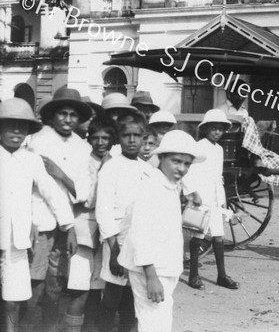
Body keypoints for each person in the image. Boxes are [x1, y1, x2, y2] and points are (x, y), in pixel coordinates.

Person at [0, 99, 74, 332]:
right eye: (10, 125)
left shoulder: (31, 160)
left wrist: (69, 226)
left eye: (22, 126)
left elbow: (51, 192)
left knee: (13, 299)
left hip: (16, 242)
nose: (16, 131)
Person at [119, 130, 204, 332]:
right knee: (154, 324)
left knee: (160, 321)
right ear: (162, 157)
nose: (181, 168)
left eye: (187, 164)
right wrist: (151, 276)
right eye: (176, 161)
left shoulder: (171, 186)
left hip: (166, 266)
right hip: (151, 269)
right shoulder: (151, 187)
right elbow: (141, 233)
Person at [28, 87, 92, 331]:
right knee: (34, 281)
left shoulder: (83, 147)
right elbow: (38, 187)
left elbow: (84, 191)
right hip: (41, 220)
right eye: (62, 113)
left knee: (55, 284)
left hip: (69, 223)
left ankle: (48, 327)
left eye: (73, 115)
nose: (67, 119)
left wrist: (61, 174)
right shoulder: (39, 140)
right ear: (53, 115)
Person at [95, 111, 152, 332]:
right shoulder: (111, 168)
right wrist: (114, 251)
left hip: (138, 241)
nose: (131, 140)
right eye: (126, 135)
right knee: (112, 296)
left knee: (132, 296)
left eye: (136, 135)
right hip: (116, 241)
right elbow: (104, 210)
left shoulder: (147, 169)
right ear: (118, 137)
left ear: (143, 137)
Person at [63, 116, 117, 332]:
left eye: (105, 138)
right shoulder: (83, 161)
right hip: (83, 227)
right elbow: (85, 198)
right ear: (89, 139)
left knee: (96, 289)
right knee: (79, 290)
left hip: (105, 233)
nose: (101, 142)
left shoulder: (116, 161)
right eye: (96, 138)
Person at [182, 109, 240, 290]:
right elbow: (186, 171)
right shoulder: (198, 147)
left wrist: (222, 199)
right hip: (200, 197)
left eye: (220, 129)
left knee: (218, 236)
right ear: (206, 129)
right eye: (213, 128)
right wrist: (192, 192)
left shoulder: (219, 149)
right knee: (198, 235)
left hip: (214, 198)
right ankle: (193, 275)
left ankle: (222, 275)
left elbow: (218, 176)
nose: (217, 132)